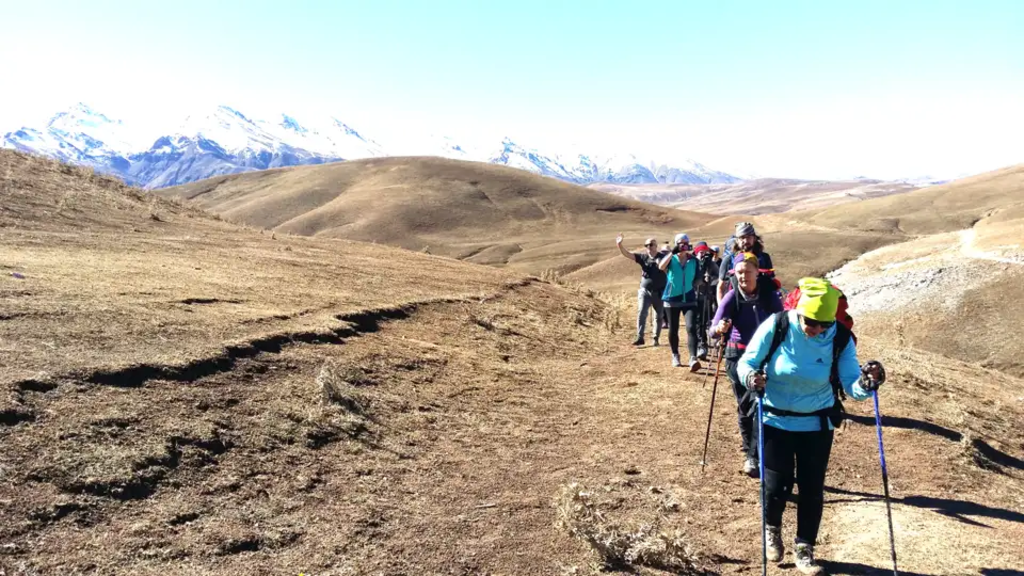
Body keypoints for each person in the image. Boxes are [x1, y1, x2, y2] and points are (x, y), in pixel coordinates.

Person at [737, 278, 886, 575]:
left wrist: (867, 384)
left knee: (812, 488)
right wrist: (752, 377)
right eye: (810, 322)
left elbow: (851, 384)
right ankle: (772, 529)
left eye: (823, 324)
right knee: (776, 485)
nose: (816, 329)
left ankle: (805, 548)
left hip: (817, 424)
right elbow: (746, 363)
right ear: (799, 311)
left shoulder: (840, 337)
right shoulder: (778, 325)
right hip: (774, 419)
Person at [711, 252, 783, 476]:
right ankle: (749, 449)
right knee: (745, 406)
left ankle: (753, 457)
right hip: (737, 356)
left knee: (757, 403)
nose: (743, 277)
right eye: (739, 273)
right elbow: (712, 330)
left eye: (747, 272)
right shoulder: (732, 297)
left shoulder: (769, 295)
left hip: (763, 357)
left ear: (757, 272)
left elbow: (783, 321)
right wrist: (719, 329)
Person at [658, 233, 704, 370]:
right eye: (680, 243)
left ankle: (693, 358)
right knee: (673, 328)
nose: (683, 245)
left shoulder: (693, 260)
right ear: (676, 244)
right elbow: (661, 267)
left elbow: (698, 277)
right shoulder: (671, 259)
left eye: (685, 243)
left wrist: (697, 283)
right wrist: (671, 253)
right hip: (672, 298)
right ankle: (675, 354)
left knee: (691, 327)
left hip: (689, 298)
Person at [616, 233, 667, 346]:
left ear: (656, 246)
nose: (648, 247)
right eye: (646, 245)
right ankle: (640, 337)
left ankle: (656, 338)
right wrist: (619, 245)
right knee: (642, 313)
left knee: (658, 316)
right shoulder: (643, 258)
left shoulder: (663, 258)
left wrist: (662, 267)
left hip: (659, 292)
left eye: (651, 244)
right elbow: (628, 254)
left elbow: (670, 270)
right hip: (645, 291)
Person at [717, 222, 775, 305]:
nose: (745, 241)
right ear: (737, 240)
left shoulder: (764, 258)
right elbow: (721, 287)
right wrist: (721, 307)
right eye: (742, 237)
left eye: (749, 237)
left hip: (762, 305)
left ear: (754, 238)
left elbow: (772, 282)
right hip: (736, 306)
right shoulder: (728, 260)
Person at [693, 241, 719, 360]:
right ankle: (696, 344)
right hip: (691, 295)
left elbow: (718, 276)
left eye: (704, 251)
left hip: (705, 296)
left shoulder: (710, 264)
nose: (702, 253)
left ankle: (702, 345)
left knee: (702, 321)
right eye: (700, 250)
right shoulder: (692, 262)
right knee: (694, 322)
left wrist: (710, 279)